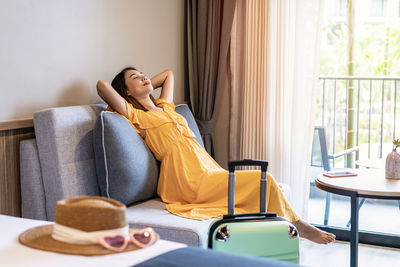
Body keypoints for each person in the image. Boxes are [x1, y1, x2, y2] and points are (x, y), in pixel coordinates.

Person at [96, 67, 336, 244]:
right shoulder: (136, 116)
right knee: (266, 181)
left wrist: (144, 84)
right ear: (126, 91)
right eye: (134, 78)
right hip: (186, 179)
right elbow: (102, 86)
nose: (143, 77)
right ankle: (298, 225)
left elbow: (169, 73)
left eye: (143, 73)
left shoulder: (165, 107)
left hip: (207, 169)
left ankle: (275, 234)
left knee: (265, 188)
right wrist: (133, 92)